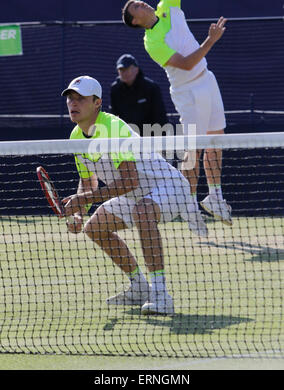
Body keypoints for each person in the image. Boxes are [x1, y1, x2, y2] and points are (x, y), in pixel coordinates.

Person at [61, 75, 209, 316]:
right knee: (94, 228)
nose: (73, 104)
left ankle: (161, 295)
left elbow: (130, 180)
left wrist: (84, 199)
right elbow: (88, 180)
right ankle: (140, 287)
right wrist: (79, 213)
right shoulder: (76, 137)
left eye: (80, 99)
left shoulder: (113, 128)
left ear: (97, 102)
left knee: (143, 212)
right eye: (70, 99)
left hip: (169, 187)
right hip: (135, 194)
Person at [121, 0, 232, 226]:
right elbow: (184, 63)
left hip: (207, 80)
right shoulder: (152, 43)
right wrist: (211, 41)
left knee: (215, 141)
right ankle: (187, 203)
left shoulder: (167, 6)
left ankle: (215, 196)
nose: (142, 4)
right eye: (137, 8)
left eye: (140, 1)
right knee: (192, 150)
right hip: (187, 92)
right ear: (136, 22)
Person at [110, 53, 169, 136]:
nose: (124, 72)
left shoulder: (151, 88)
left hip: (149, 137)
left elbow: (160, 116)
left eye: (127, 69)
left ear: (136, 69)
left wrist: (160, 141)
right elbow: (114, 116)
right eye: (121, 70)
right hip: (126, 138)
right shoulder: (115, 89)